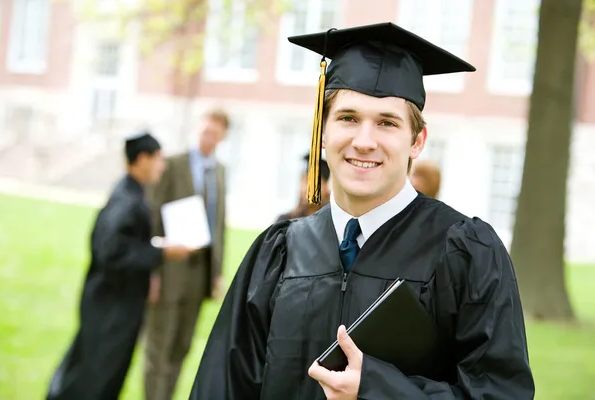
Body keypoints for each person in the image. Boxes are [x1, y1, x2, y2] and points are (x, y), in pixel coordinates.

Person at [189, 22, 535, 400]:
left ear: (417, 141)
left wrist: (378, 389)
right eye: (348, 118)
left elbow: (501, 393)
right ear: (322, 132)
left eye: (386, 123)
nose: (364, 141)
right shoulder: (280, 252)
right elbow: (223, 386)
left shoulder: (465, 252)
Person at [45, 132, 193, 400]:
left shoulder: (131, 193)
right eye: (158, 159)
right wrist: (161, 252)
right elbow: (110, 252)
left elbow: (121, 243)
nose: (162, 166)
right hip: (111, 306)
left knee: (98, 369)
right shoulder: (127, 200)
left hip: (115, 301)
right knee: (96, 374)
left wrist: (155, 248)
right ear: (142, 159)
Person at [143, 108, 230, 400]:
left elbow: (218, 223)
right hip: (169, 268)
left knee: (182, 345)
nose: (209, 138)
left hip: (199, 272)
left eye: (215, 134)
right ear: (197, 129)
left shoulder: (219, 171)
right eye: (205, 131)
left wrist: (216, 272)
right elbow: (153, 216)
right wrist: (152, 270)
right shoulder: (172, 164)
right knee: (160, 346)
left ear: (223, 137)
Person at [276, 152, 331, 222]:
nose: (305, 189)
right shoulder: (285, 222)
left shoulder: (333, 222)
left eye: (312, 183)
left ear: (326, 186)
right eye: (303, 181)